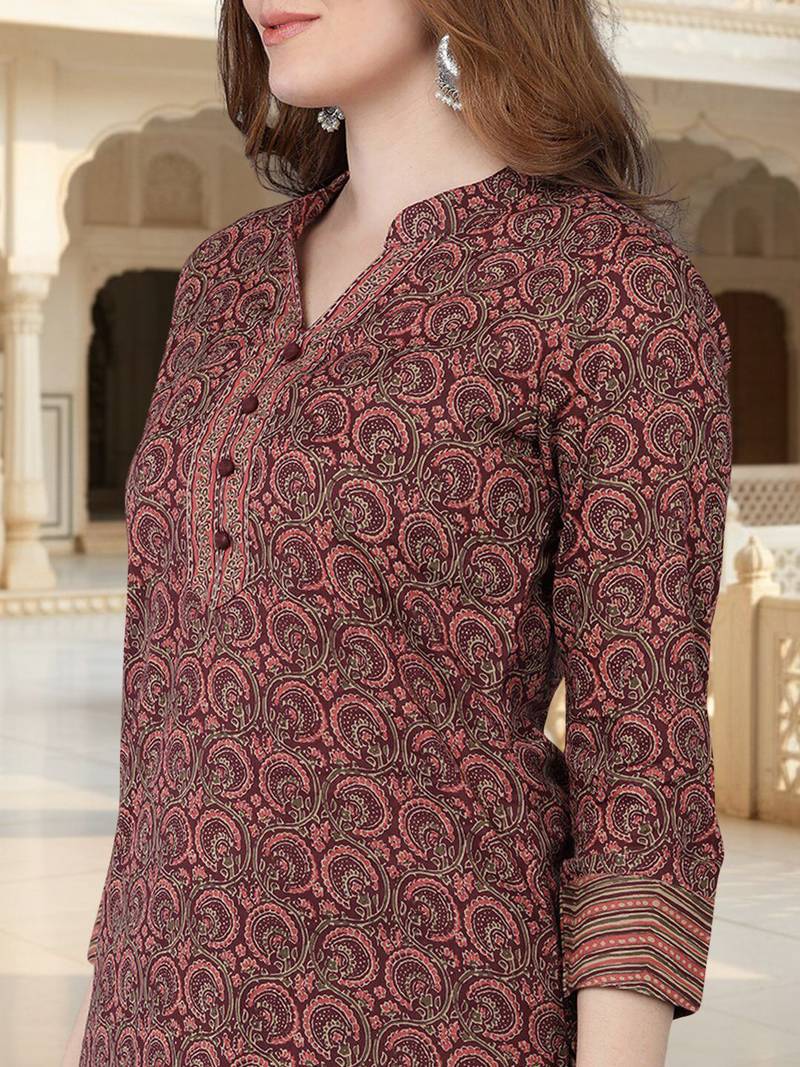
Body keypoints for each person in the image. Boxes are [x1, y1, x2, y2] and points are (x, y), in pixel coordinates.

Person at [65, 1, 733, 1065]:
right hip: (158, 1010)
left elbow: (642, 766)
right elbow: (160, 707)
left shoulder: (613, 291)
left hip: (440, 1009)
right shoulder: (222, 283)